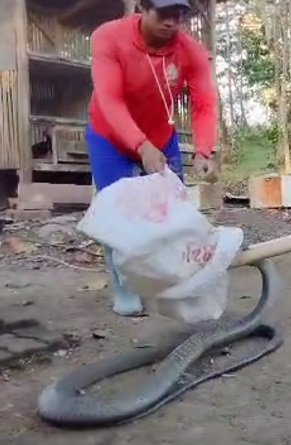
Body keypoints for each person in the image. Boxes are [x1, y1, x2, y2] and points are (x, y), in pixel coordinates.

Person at [87, 0, 218, 316]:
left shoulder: (190, 51)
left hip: (161, 136)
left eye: (179, 15)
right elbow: (110, 100)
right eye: (163, 13)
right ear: (142, 8)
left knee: (172, 212)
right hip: (110, 136)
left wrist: (203, 149)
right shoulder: (108, 37)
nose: (172, 22)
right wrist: (140, 145)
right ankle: (124, 285)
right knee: (118, 214)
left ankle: (171, 281)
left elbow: (204, 103)